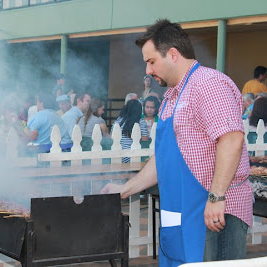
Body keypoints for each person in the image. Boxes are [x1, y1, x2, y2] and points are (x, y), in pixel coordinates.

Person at [102, 19, 253, 266]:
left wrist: (216, 197)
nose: (148, 71)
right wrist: (125, 188)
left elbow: (232, 139)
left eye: (151, 62)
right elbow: (164, 159)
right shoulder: (171, 97)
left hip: (214, 213)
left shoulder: (209, 83)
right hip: (179, 211)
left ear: (173, 54)